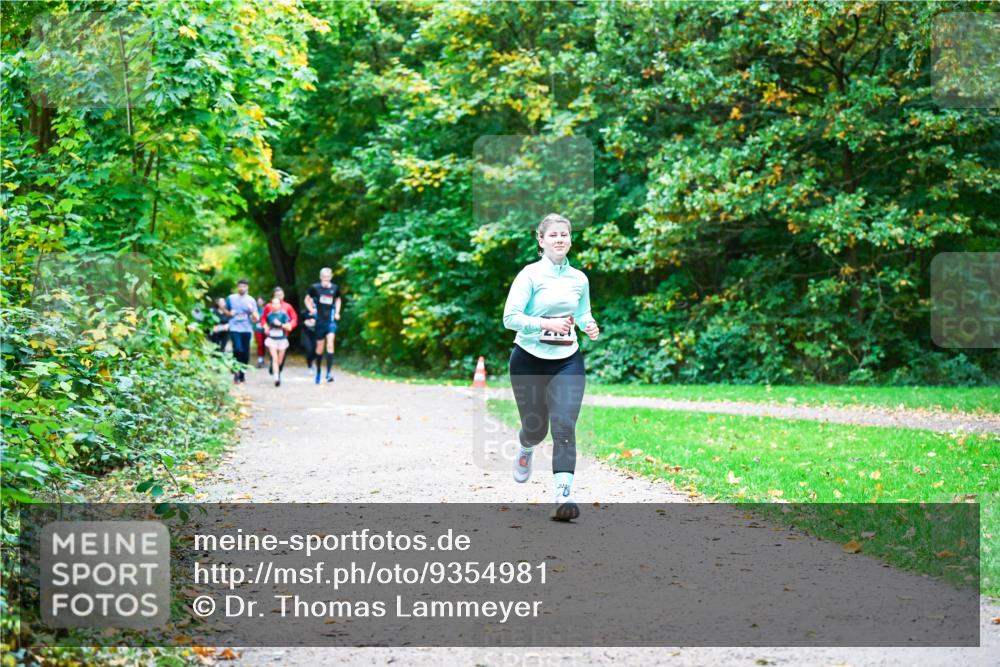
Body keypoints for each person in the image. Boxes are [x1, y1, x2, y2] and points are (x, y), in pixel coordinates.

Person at [502, 213, 600, 522]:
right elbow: (510, 318)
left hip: (567, 361)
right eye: (553, 235)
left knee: (564, 425)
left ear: (571, 239)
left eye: (565, 234)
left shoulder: (579, 279)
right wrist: (547, 323)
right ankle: (526, 448)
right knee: (536, 428)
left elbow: (582, 312)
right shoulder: (529, 275)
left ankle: (563, 495)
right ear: (541, 240)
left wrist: (589, 324)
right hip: (528, 360)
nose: (560, 239)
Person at [304, 267, 342, 384]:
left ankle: (329, 373)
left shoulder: (335, 288)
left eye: (328, 277)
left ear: (331, 277)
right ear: (320, 278)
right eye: (324, 277)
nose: (326, 280)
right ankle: (319, 371)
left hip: (330, 321)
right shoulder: (315, 288)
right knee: (320, 348)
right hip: (319, 321)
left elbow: (338, 299)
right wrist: (311, 309)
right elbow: (307, 299)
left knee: (330, 344)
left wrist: (337, 312)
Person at [224, 279, 259, 384]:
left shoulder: (251, 300)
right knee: (237, 349)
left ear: (247, 287)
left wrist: (251, 310)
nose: (241, 288)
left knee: (245, 352)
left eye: (244, 286)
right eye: (240, 286)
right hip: (234, 327)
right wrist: (230, 313)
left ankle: (242, 374)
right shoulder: (231, 298)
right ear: (237, 287)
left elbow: (256, 318)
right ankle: (236, 374)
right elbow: (225, 310)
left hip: (246, 329)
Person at [260, 286, 299, 377]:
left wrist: (290, 325)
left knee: (281, 357)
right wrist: (265, 327)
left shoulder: (288, 306)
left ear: (284, 295)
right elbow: (263, 319)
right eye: (277, 295)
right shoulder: (269, 306)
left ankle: (278, 369)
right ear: (273, 296)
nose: (279, 296)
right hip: (272, 334)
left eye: (281, 294)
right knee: (273, 355)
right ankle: (274, 369)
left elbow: (294, 319)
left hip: (283, 334)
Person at [301, 300, 318, 369]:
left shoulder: (318, 312)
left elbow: (323, 322)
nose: (311, 303)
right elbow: (299, 323)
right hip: (307, 333)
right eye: (309, 302)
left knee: (315, 349)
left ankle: (313, 360)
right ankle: (309, 365)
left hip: (316, 334)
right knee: (309, 349)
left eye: (313, 302)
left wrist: (316, 322)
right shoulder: (304, 312)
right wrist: (305, 322)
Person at [254, 297, 267, 368]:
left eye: (260, 301)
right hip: (257, 329)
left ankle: (264, 358)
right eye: (258, 301)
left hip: (265, 329)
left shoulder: (266, 309)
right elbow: (252, 319)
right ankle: (260, 359)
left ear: (264, 301)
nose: (259, 302)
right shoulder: (255, 310)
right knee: (260, 344)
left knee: (266, 344)